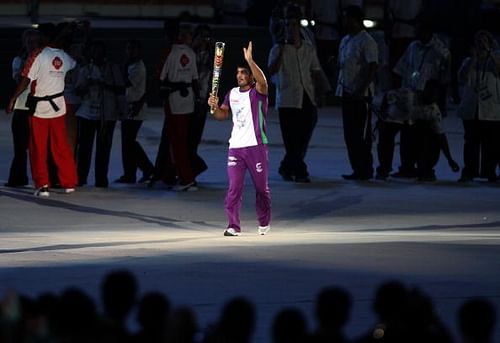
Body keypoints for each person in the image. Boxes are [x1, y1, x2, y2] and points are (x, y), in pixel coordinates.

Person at [6, 22, 78, 197]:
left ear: (44, 38)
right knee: (61, 146)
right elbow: (74, 64)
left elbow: (25, 79)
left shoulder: (37, 56)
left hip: (40, 109)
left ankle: (42, 184)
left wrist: (13, 98)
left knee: (38, 147)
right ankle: (69, 182)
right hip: (59, 107)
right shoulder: (64, 56)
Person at [208, 41, 271, 237]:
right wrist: (214, 107)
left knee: (261, 188)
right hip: (236, 147)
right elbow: (222, 115)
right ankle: (233, 226)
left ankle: (264, 221)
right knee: (234, 188)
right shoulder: (232, 94)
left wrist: (250, 60)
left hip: (256, 146)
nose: (240, 76)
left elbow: (263, 82)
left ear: (250, 76)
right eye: (238, 73)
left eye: (244, 72)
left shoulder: (258, 92)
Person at [268, 3, 323, 183]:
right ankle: (299, 170)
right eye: (287, 26)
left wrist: (320, 92)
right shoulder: (277, 49)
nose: (290, 29)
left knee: (303, 135)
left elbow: (315, 70)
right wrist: (282, 49)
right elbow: (272, 70)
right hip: (287, 98)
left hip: (306, 95)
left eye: (293, 25)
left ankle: (287, 166)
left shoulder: (308, 48)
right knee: (290, 137)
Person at [75, 40, 125, 188]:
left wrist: (121, 110)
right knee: (84, 147)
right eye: (93, 51)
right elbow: (78, 91)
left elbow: (120, 89)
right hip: (87, 113)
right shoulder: (85, 70)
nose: (96, 54)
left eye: (99, 51)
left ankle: (101, 179)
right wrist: (88, 84)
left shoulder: (112, 68)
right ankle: (81, 177)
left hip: (106, 114)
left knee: (103, 148)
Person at [336, 5, 378, 180]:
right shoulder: (345, 40)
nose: (345, 21)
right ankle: (357, 168)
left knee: (361, 134)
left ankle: (365, 169)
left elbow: (372, 66)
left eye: (347, 17)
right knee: (350, 135)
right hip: (346, 92)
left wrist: (361, 89)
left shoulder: (366, 41)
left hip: (360, 94)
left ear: (356, 19)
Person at [159, 23, 200, 191]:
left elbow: (161, 77)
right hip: (188, 100)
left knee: (176, 142)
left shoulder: (171, 52)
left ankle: (186, 178)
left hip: (174, 100)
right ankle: (175, 175)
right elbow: (195, 79)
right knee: (181, 140)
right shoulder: (191, 53)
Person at [456, 30, 500, 183]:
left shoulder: (496, 59)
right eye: (478, 42)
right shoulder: (469, 61)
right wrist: (474, 59)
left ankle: (489, 171)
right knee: (471, 141)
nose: (481, 45)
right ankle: (470, 171)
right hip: (472, 107)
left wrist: (490, 53)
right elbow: (462, 77)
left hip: (491, 108)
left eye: (484, 41)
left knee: (491, 142)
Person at [5, 28, 41, 188]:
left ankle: (40, 180)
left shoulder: (43, 59)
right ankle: (18, 178)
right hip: (22, 106)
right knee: (20, 147)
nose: (32, 45)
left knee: (38, 147)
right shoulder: (18, 60)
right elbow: (19, 77)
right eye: (29, 42)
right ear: (25, 43)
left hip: (40, 107)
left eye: (35, 41)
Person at [115, 39, 154, 184]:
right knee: (128, 142)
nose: (130, 52)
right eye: (129, 48)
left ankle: (146, 169)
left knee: (129, 142)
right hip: (129, 107)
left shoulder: (138, 67)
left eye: (133, 49)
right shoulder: (131, 66)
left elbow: (126, 83)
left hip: (135, 108)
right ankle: (130, 173)